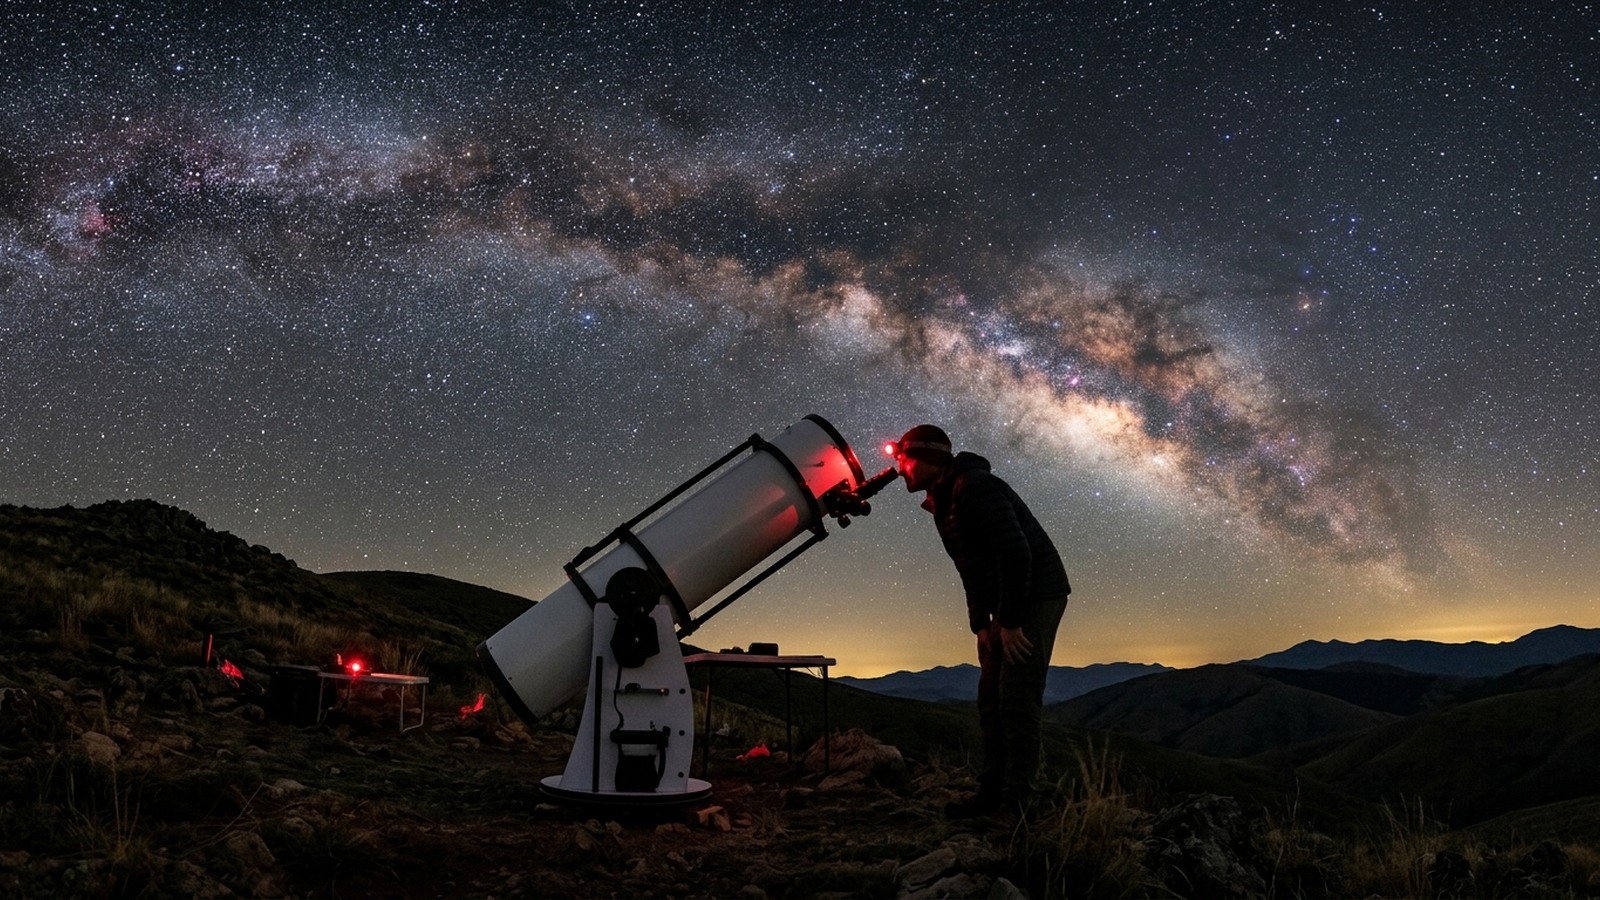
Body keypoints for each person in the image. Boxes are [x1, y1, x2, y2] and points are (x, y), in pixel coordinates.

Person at [892, 424, 1071, 819]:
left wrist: (1008, 623)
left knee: (1017, 698)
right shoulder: (942, 500)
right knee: (990, 700)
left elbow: (1015, 553)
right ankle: (990, 796)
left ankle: (1016, 807)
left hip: (1038, 592)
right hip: (1007, 600)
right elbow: (970, 569)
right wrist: (980, 626)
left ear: (929, 458)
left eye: (905, 460)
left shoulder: (974, 487)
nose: (900, 469)